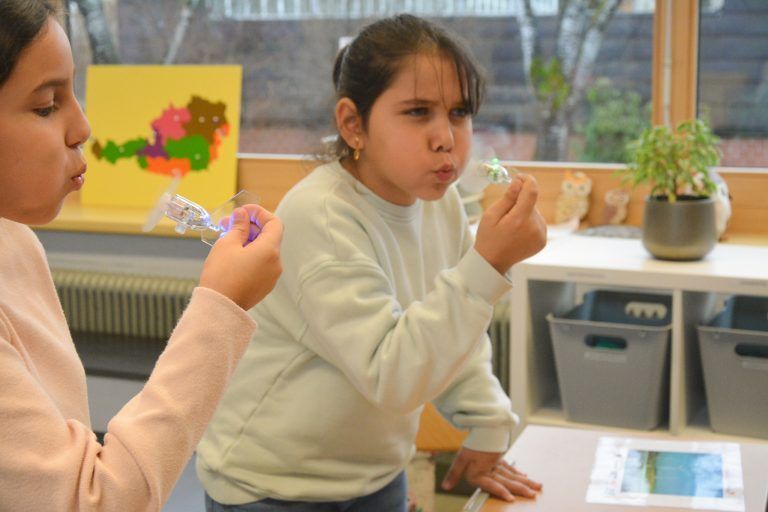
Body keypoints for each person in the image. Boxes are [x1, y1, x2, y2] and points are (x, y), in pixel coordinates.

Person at [197, 13, 546, 512]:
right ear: (353, 124)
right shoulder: (322, 216)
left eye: (459, 112)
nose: (446, 137)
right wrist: (487, 264)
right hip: (270, 486)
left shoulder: (441, 204)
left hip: (375, 477)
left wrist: (488, 425)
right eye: (418, 112)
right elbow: (392, 373)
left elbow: (453, 327)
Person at [0, 1, 284, 510]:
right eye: (45, 106)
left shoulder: (14, 237)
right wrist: (221, 305)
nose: (82, 127)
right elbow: (95, 500)